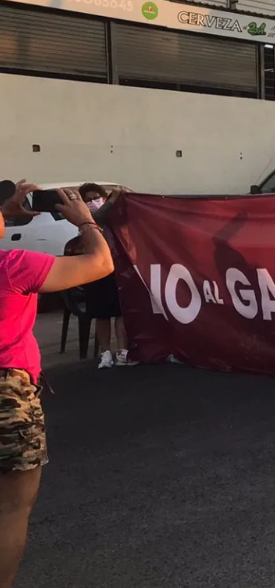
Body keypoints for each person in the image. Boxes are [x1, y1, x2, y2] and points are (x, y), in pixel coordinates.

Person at [0, 181, 114, 588]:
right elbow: (100, 263)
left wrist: (8, 212)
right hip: (7, 394)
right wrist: (86, 222)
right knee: (10, 510)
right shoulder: (13, 266)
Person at [76, 184, 133, 369]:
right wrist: (113, 198)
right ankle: (105, 353)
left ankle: (122, 352)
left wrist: (121, 197)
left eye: (96, 198)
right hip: (95, 272)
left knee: (120, 313)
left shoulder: (114, 218)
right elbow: (97, 218)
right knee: (102, 315)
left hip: (116, 271)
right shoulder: (85, 219)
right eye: (88, 200)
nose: (93, 202)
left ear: (103, 197)